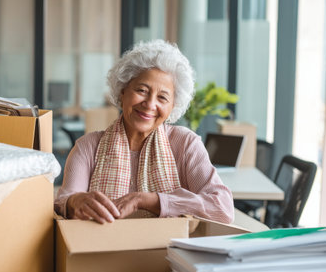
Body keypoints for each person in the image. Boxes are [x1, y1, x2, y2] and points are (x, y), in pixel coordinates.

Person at [54, 39, 234, 224]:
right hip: (104, 249)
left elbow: (223, 209)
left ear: (173, 106)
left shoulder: (185, 144)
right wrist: (74, 202)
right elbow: (63, 202)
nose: (149, 104)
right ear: (122, 91)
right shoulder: (88, 146)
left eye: (162, 97)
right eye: (142, 90)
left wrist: (146, 200)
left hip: (168, 251)